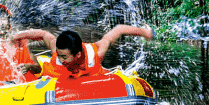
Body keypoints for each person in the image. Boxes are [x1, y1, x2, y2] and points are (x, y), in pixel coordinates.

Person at [16, 25, 154, 79]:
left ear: (78, 55)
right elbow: (44, 34)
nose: (61, 60)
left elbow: (118, 30)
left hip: (89, 75)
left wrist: (146, 33)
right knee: (33, 66)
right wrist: (17, 36)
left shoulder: (96, 55)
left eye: (64, 57)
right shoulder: (57, 55)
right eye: (59, 55)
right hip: (50, 74)